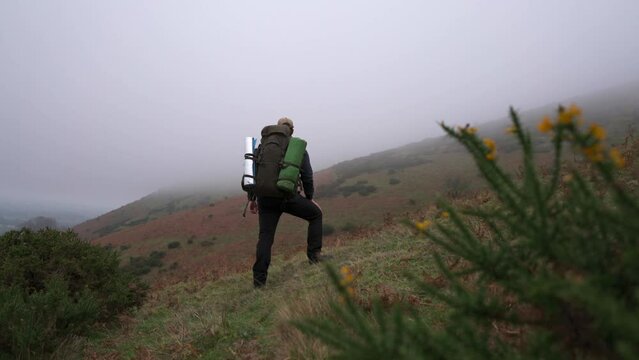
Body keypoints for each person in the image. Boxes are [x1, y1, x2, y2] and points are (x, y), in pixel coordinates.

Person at [249, 117, 328, 288]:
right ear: (292, 129)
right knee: (316, 215)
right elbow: (307, 175)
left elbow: (255, 173)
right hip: (287, 197)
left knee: (265, 237)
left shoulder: (262, 146)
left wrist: (252, 199)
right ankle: (315, 256)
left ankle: (259, 281)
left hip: (265, 199)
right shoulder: (296, 148)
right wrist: (309, 198)